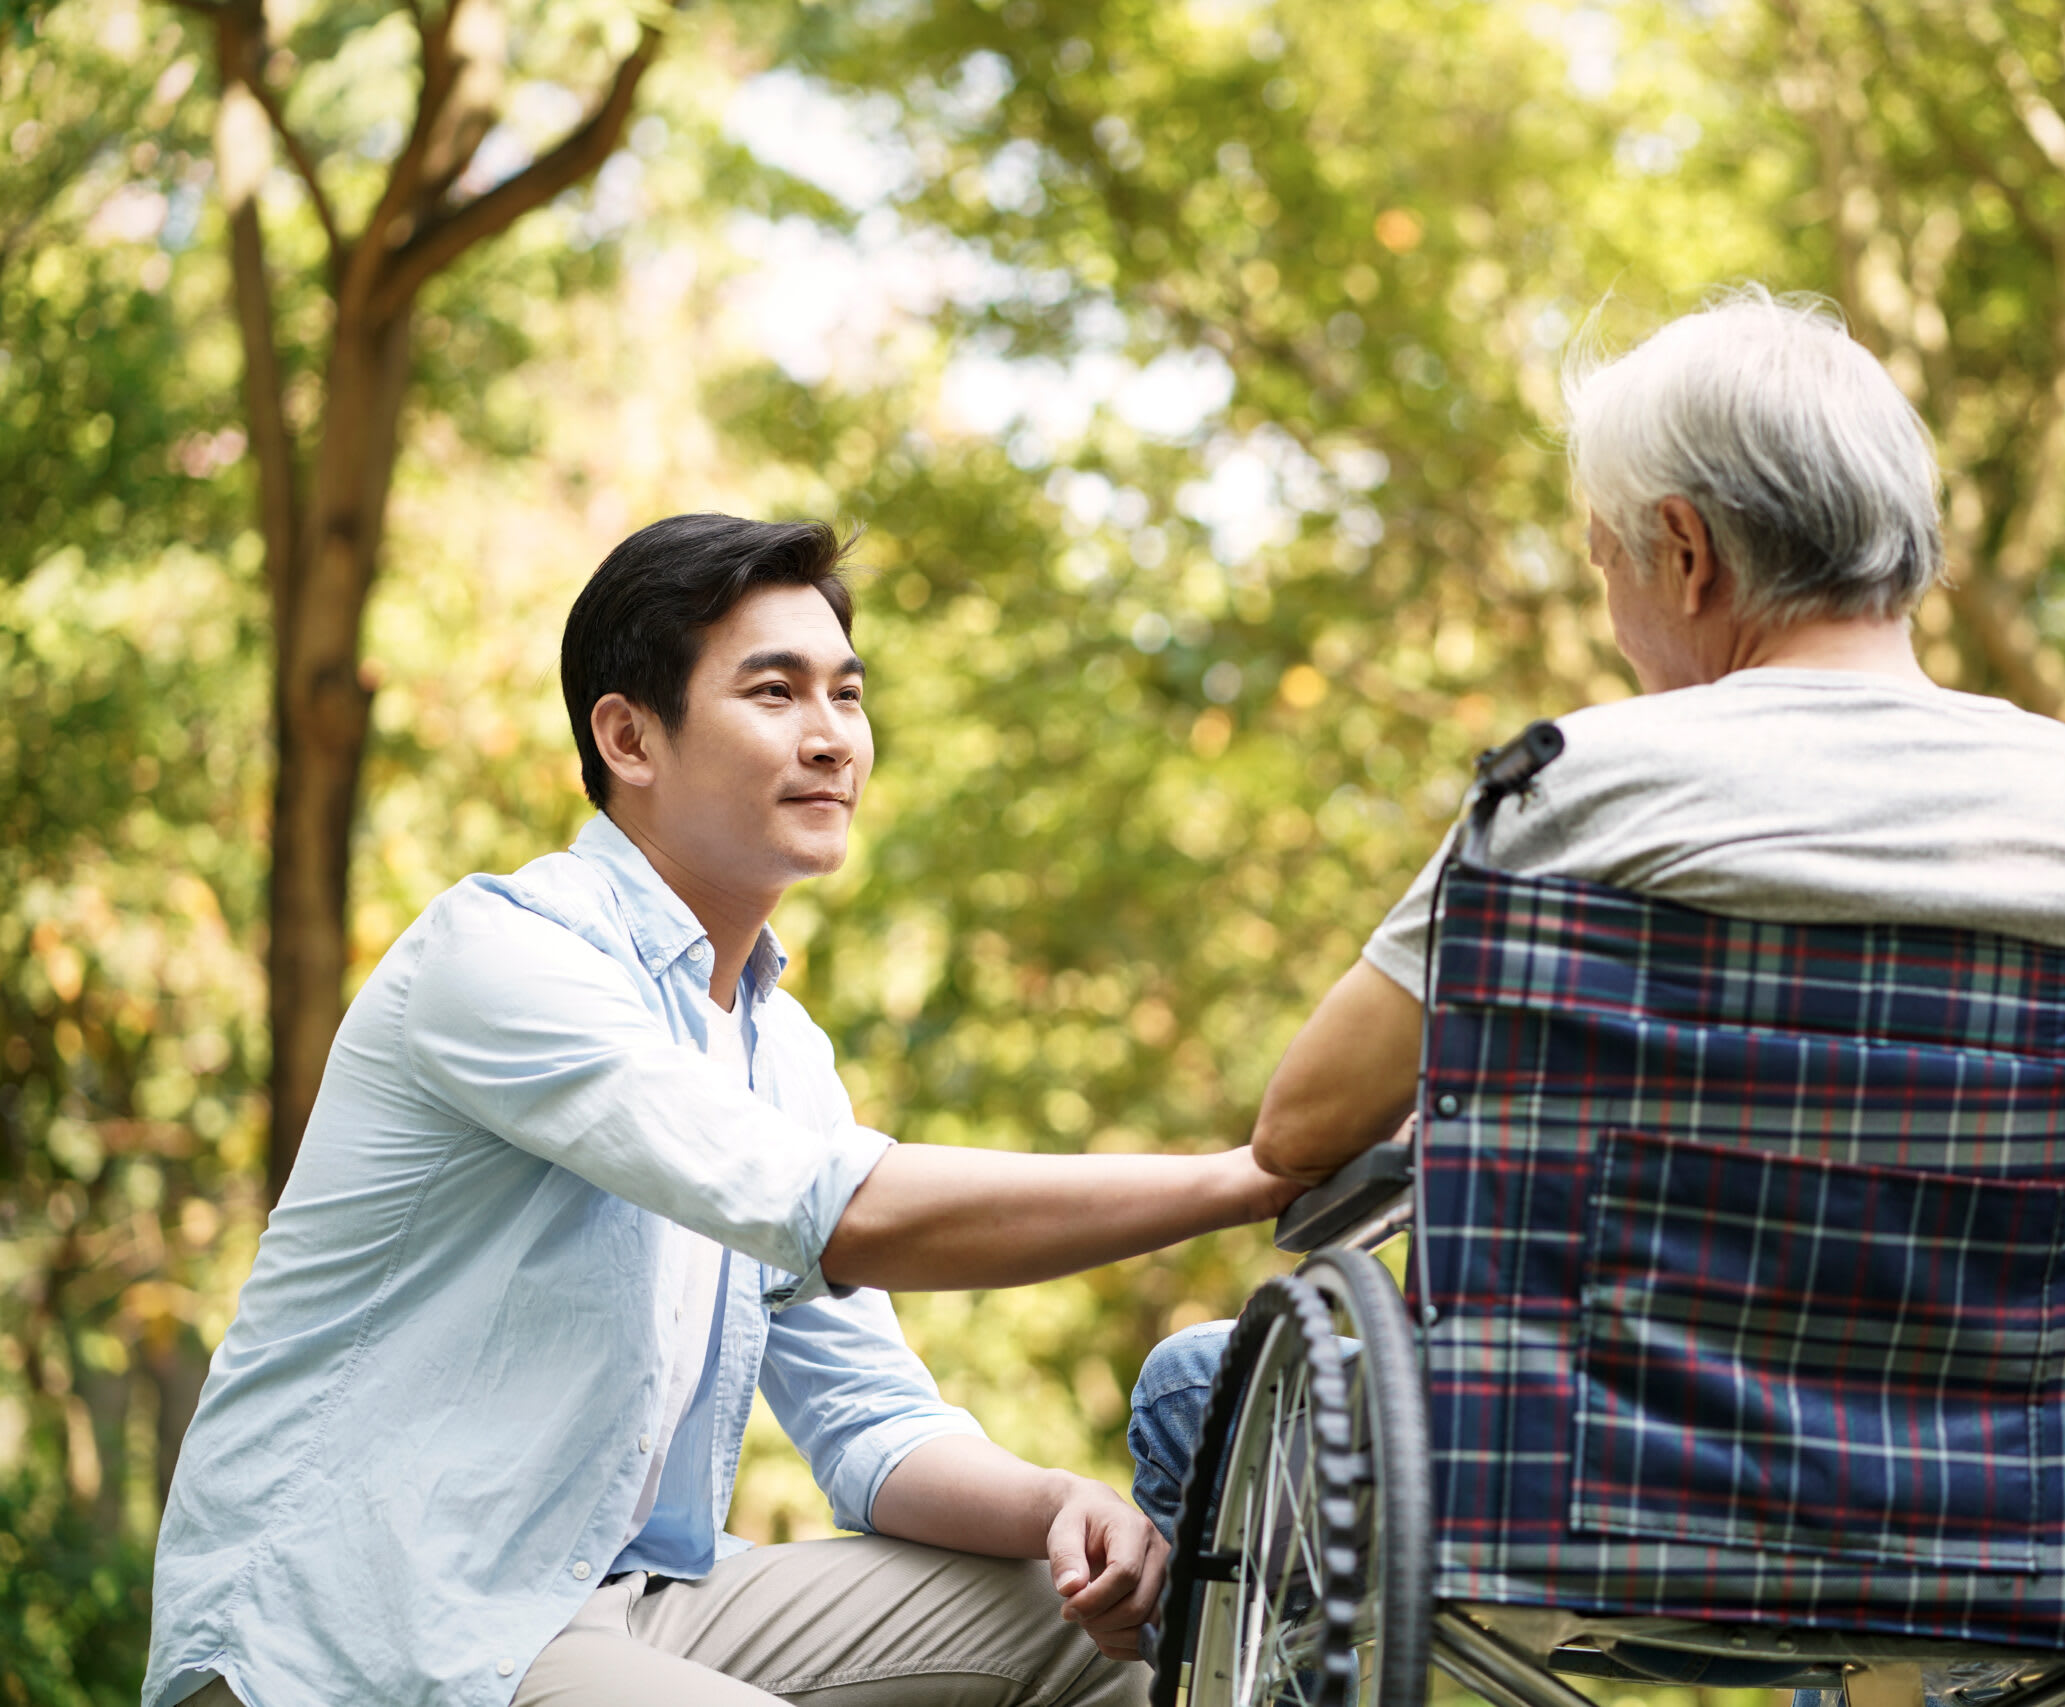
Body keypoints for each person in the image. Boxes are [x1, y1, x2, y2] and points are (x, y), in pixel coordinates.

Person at [1126, 284, 2065, 1536]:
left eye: (1605, 561)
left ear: (1683, 549)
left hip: (1597, 1487)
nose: (1613, 615)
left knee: (1196, 1387)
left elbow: (1300, 1132)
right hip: (2017, 1493)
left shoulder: (1576, 787)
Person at [145, 515, 1300, 1707]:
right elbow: (840, 1215)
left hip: (635, 1605)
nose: (829, 739)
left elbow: (868, 1420)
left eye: (846, 697)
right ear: (628, 736)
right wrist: (1247, 1177)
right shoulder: (499, 958)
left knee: (1095, 1621)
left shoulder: (778, 1049)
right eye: (774, 692)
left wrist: (1060, 1502)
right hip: (369, 1629)